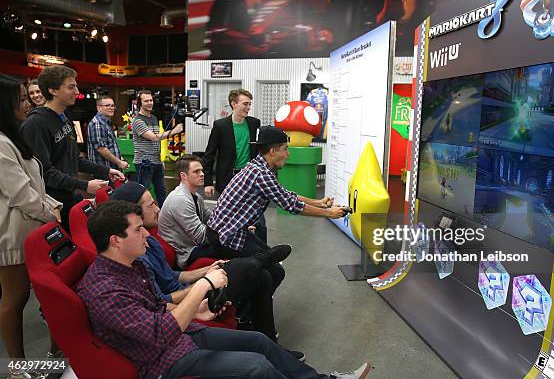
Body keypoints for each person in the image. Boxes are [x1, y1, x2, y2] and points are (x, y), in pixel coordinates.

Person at [77, 200, 370, 379]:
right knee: (257, 367)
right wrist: (202, 286)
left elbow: (157, 304)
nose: (146, 234)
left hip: (181, 337)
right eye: (138, 230)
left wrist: (197, 310)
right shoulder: (105, 290)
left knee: (258, 341)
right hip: (162, 361)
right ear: (115, 240)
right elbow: (159, 333)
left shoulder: (134, 264)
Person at [112, 181, 291, 348]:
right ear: (133, 212)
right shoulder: (135, 255)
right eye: (151, 205)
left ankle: (266, 335)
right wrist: (203, 284)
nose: (158, 208)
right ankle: (262, 258)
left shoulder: (151, 239)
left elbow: (172, 275)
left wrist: (205, 271)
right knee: (251, 267)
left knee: (263, 276)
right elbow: (161, 301)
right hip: (185, 299)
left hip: (185, 287)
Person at [206, 126, 349, 260]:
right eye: (285, 149)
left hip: (228, 230)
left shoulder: (257, 167)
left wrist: (318, 203)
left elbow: (284, 194)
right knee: (269, 267)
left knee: (269, 259)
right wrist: (330, 213)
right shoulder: (261, 174)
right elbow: (291, 205)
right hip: (226, 235)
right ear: (273, 151)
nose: (288, 154)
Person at [0, 74, 62, 378]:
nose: (28, 103)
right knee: (15, 299)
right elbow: (21, 194)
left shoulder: (14, 137)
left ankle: (51, 355)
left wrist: (53, 207)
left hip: (34, 229)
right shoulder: (0, 142)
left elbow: (34, 186)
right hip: (14, 234)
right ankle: (17, 367)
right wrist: (52, 213)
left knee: (45, 294)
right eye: (22, 98)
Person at [20, 66, 125, 232]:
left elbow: (74, 158)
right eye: (71, 87)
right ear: (52, 90)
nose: (77, 91)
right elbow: (44, 172)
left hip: (68, 196)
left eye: (76, 86)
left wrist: (106, 170)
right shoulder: (35, 124)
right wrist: (85, 185)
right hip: (51, 204)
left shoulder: (65, 117)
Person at [202, 88, 260, 197]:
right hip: (227, 178)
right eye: (245, 104)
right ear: (234, 104)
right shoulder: (220, 126)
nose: (248, 107)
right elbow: (209, 155)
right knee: (229, 212)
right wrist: (208, 182)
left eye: (249, 104)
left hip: (249, 178)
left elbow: (257, 151)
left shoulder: (254, 123)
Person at [132, 90, 184, 206]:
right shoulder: (138, 121)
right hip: (144, 162)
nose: (149, 103)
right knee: (143, 192)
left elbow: (156, 142)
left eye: (150, 100)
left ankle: (163, 216)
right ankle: (142, 217)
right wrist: (174, 131)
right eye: (146, 101)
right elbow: (154, 138)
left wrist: (160, 160)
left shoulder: (154, 118)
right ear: (140, 103)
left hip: (156, 161)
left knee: (161, 190)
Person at [87, 96, 129, 170]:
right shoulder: (97, 123)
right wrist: (119, 162)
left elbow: (111, 146)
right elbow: (101, 149)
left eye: (112, 105)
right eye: (107, 105)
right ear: (99, 108)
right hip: (103, 171)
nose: (111, 108)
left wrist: (120, 159)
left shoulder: (106, 123)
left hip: (110, 170)